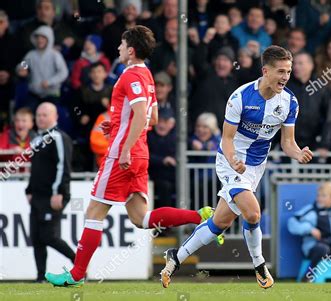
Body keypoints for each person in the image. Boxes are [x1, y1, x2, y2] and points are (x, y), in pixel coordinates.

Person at [45, 26, 214, 287]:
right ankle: (200, 216)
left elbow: (139, 114)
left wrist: (123, 146)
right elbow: (152, 118)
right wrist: (116, 126)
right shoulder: (147, 76)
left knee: (94, 212)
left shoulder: (130, 76)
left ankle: (76, 275)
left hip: (123, 154)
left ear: (131, 50)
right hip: (141, 154)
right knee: (141, 219)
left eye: (122, 45)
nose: (118, 49)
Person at [160, 45, 313, 289]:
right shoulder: (240, 97)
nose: (286, 77)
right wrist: (233, 161)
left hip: (255, 167)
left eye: (289, 72)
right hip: (231, 162)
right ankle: (259, 264)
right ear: (265, 71)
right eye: (281, 71)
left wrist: (299, 154)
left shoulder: (290, 103)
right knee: (253, 213)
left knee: (219, 223)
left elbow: (287, 143)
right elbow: (226, 139)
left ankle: (175, 257)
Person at [25, 102, 75, 283]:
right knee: (37, 237)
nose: (40, 118)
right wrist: (29, 189)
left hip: (53, 195)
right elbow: (36, 168)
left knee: (49, 236)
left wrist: (59, 192)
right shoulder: (37, 139)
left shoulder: (59, 138)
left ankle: (79, 264)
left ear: (55, 117)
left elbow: (64, 167)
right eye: (38, 115)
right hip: (37, 196)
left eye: (45, 115)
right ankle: (40, 277)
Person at [287, 182, 331, 282]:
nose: (320, 198)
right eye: (318, 195)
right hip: (314, 247)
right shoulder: (312, 211)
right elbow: (292, 222)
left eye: (324, 196)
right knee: (322, 249)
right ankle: (308, 275)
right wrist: (310, 229)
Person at [16, 25, 68, 111]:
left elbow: (63, 72)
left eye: (43, 37)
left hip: (52, 94)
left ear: (49, 39)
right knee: (28, 113)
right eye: (37, 38)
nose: (40, 40)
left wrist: (50, 82)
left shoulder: (55, 55)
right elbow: (24, 65)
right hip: (34, 93)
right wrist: (21, 69)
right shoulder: (31, 54)